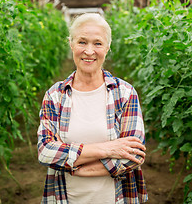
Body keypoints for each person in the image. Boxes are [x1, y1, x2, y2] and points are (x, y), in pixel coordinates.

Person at [37, 13, 148, 204]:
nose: (89, 51)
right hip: (65, 198)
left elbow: (133, 155)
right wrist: (108, 149)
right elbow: (46, 151)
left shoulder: (125, 93)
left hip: (116, 198)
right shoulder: (55, 95)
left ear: (107, 48)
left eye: (97, 43)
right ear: (71, 44)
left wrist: (73, 165)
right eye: (82, 42)